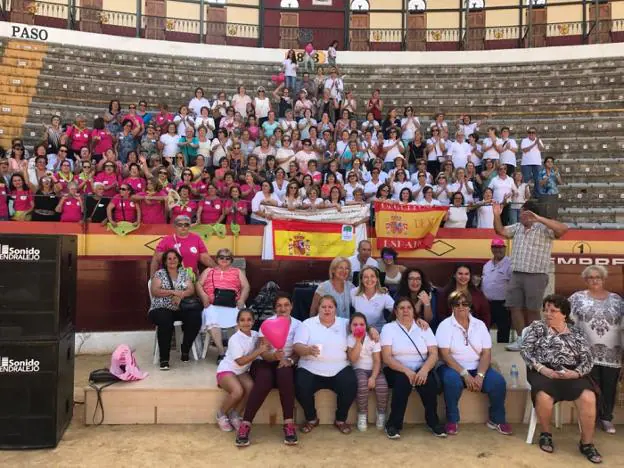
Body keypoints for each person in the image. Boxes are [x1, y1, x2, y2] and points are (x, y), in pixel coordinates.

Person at [520, 295, 602, 463]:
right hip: (543, 371)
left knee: (588, 397)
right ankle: (545, 434)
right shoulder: (537, 328)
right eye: (546, 310)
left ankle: (587, 443)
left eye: (553, 311)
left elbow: (588, 358)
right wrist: (544, 369)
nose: (548, 314)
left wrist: (577, 373)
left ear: (564, 314)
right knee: (544, 395)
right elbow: (525, 350)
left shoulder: (577, 332)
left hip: (572, 372)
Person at [493, 200, 569, 351]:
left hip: (536, 275)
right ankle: (523, 340)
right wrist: (496, 215)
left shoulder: (544, 228)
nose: (519, 215)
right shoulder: (517, 227)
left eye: (522, 212)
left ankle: (536, 341)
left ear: (530, 214)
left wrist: (539, 218)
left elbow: (563, 229)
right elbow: (500, 231)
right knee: (514, 307)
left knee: (533, 309)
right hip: (516, 273)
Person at [436, 290, 512, 437]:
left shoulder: (480, 325)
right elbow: (444, 354)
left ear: (470, 306)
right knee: (451, 381)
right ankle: (452, 420)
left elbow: (486, 353)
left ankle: (497, 419)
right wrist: (464, 374)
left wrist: (480, 375)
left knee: (498, 382)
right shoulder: (445, 325)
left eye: (465, 303)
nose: (461, 307)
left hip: (478, 367)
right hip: (452, 367)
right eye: (456, 304)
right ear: (452, 307)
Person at [236, 292, 301, 446]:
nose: (283, 308)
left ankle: (289, 424)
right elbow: (263, 353)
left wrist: (288, 360)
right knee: (264, 380)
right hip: (265, 361)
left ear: (291, 306)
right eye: (279, 305)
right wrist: (275, 357)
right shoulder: (267, 324)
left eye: (286, 305)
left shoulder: (299, 325)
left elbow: (298, 351)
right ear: (274, 309)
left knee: (285, 374)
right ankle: (245, 425)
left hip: (286, 361)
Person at [382, 298, 446, 439]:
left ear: (414, 310)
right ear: (395, 311)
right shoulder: (388, 328)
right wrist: (406, 371)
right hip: (396, 369)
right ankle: (393, 424)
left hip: (421, 367)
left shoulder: (423, 327)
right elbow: (386, 357)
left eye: (409, 308)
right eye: (401, 308)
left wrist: (424, 370)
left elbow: (434, 353)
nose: (405, 311)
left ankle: (433, 422)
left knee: (428, 383)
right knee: (402, 383)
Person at [569, 266, 623, 435]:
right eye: (591, 277)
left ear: (604, 279)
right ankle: (591, 418)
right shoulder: (577, 298)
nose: (595, 280)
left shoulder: (617, 300)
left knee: (609, 386)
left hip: (612, 353)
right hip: (587, 351)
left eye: (598, 277)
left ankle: (606, 418)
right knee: (592, 387)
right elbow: (569, 322)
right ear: (585, 280)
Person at [294, 295, 358, 435]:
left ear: (336, 309)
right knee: (300, 383)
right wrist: (307, 350)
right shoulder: (307, 324)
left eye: (330, 307)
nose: (327, 310)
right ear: (318, 308)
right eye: (324, 307)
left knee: (350, 383)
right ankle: (311, 418)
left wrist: (371, 329)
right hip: (310, 367)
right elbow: (297, 346)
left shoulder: (345, 323)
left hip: (339, 367)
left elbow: (361, 325)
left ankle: (341, 419)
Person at [216, 309, 268, 432]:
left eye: (249, 319)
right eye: (242, 320)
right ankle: (221, 414)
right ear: (237, 322)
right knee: (238, 391)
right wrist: (259, 351)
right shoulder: (235, 339)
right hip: (227, 370)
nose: (246, 323)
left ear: (253, 321)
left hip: (241, 372)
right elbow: (240, 361)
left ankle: (235, 415)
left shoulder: (255, 334)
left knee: (251, 388)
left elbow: (266, 339)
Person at [149, 249, 202, 370]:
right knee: (165, 320)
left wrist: (180, 295)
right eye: (169, 258)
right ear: (165, 261)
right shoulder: (160, 273)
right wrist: (173, 292)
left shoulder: (184, 273)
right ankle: (164, 359)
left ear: (179, 260)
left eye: (175, 258)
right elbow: (155, 291)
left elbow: (191, 290)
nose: (172, 260)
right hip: (161, 307)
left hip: (180, 307)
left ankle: (185, 349)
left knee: (195, 316)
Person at [197, 248, 250, 362]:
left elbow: (246, 286)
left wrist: (242, 299)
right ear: (217, 259)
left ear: (231, 260)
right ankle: (221, 352)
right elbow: (199, 284)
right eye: (221, 257)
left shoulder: (237, 271)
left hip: (234, 304)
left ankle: (236, 352)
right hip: (213, 304)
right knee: (211, 317)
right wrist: (204, 296)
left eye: (228, 258)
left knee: (241, 319)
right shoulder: (209, 271)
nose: (224, 260)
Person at [348, 312, 389, 432]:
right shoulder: (350, 338)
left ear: (366, 326)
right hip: (358, 368)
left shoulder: (373, 338)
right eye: (355, 325)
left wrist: (373, 377)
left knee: (383, 386)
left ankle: (381, 413)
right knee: (361, 384)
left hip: (374, 369)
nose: (358, 327)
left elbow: (377, 360)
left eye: (361, 324)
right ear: (350, 326)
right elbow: (353, 359)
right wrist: (358, 341)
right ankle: (362, 414)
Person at [151, 215, 215, 277]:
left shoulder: (196, 238)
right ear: (175, 226)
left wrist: (217, 268)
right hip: (170, 278)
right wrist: (152, 278)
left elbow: (205, 258)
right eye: (180, 225)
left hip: (190, 277)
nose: (183, 227)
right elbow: (156, 259)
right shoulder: (166, 240)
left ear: (189, 226)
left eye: (186, 225)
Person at [481, 238, 512, 343]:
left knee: (503, 330)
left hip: (503, 304)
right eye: (495, 247)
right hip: (487, 303)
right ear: (491, 249)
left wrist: (511, 302)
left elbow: (514, 285)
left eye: (500, 247)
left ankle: (503, 356)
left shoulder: (510, 264)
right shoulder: (487, 265)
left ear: (504, 248)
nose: (497, 250)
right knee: (483, 329)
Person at [350, 266, 394, 332]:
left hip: (378, 331)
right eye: (365, 277)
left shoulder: (384, 295)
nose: (369, 279)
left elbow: (397, 309)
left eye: (372, 276)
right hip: (359, 330)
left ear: (377, 279)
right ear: (361, 280)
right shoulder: (353, 293)